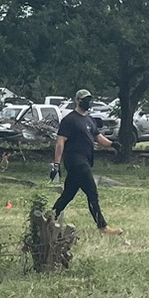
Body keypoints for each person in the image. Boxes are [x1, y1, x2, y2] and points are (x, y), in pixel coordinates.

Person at [52, 89, 120, 234]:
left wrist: (112, 144)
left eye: (89, 99)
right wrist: (56, 164)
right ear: (77, 100)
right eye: (84, 99)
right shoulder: (69, 120)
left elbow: (98, 137)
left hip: (85, 161)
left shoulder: (89, 120)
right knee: (92, 193)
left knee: (68, 195)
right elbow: (60, 142)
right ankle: (103, 227)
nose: (87, 102)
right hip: (76, 161)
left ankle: (51, 218)